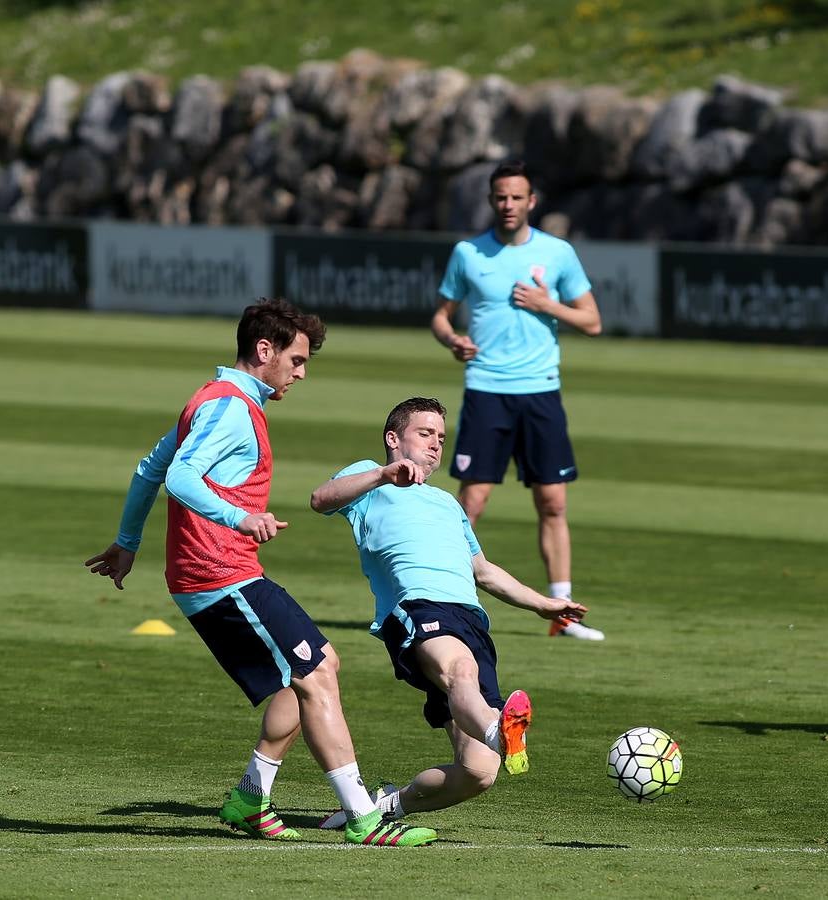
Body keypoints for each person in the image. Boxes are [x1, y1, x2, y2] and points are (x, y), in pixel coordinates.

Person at [85, 299, 437, 847]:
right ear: (264, 351)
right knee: (315, 674)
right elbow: (179, 477)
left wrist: (128, 543)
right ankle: (364, 818)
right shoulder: (229, 407)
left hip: (220, 572)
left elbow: (147, 470)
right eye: (296, 360)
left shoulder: (211, 397)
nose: (302, 373)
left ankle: (252, 795)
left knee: (313, 669)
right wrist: (241, 517)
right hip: (218, 573)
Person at [309, 397, 589, 827]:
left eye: (441, 437)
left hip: (471, 620)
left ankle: (385, 806)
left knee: (478, 772)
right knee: (460, 669)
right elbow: (321, 499)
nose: (436, 444)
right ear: (393, 438)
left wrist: (544, 604)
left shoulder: (447, 503)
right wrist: (382, 474)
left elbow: (482, 570)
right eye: (425, 433)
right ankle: (498, 730)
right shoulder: (369, 481)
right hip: (417, 607)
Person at [431, 160, 605, 640]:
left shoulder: (558, 253)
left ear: (532, 202)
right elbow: (441, 316)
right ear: (492, 201)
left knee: (552, 503)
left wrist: (547, 304)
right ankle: (444, 597)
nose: (508, 205)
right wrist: (453, 341)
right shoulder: (468, 253)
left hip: (540, 391)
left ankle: (564, 615)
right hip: (487, 390)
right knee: (472, 502)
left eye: (516, 197)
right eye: (500, 197)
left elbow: (592, 321)